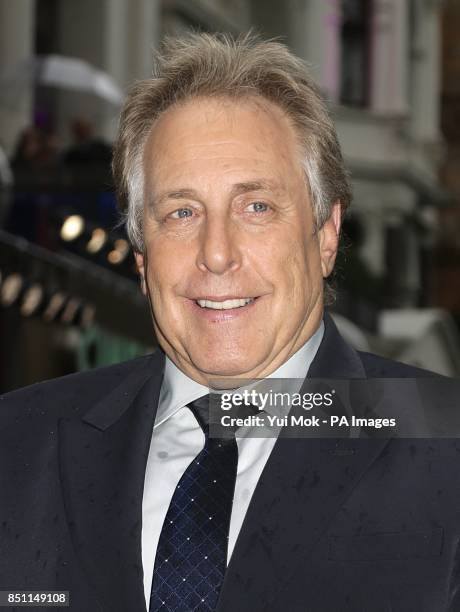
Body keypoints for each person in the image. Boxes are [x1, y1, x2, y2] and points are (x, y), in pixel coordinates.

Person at [0, 33, 459, 612]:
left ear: (326, 235)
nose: (217, 253)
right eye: (181, 212)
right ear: (142, 257)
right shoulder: (14, 446)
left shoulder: (447, 449)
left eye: (257, 207)